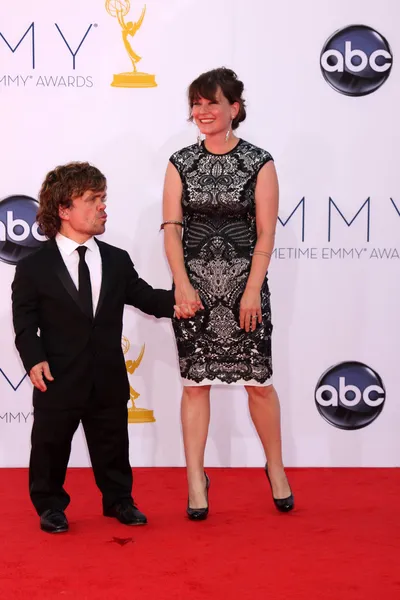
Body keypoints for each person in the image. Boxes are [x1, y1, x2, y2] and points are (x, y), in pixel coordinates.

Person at [12, 162, 194, 534]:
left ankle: (119, 501)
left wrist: (180, 300)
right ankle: (49, 506)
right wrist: (34, 359)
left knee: (112, 444)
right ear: (64, 210)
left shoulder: (115, 258)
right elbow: (24, 322)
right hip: (58, 376)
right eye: (92, 199)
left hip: (108, 374)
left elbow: (144, 297)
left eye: (103, 198)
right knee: (50, 446)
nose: (102, 207)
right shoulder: (34, 266)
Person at [162, 67, 294, 520]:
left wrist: (253, 288)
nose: (201, 112)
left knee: (258, 386)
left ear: (234, 108)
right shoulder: (181, 162)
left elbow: (264, 233)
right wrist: (180, 281)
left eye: (211, 103)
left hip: (246, 290)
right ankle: (196, 478)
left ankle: (275, 469)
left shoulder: (260, 162)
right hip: (195, 289)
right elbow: (172, 228)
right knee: (195, 386)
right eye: (195, 104)